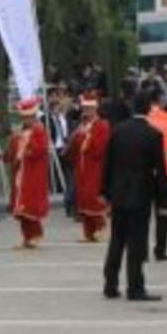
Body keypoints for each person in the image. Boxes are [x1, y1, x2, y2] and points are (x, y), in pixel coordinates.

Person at [102, 91, 165, 301]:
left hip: (119, 192)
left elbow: (107, 163)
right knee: (137, 241)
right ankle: (135, 287)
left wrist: (105, 192)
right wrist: (162, 199)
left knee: (117, 239)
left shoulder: (117, 131)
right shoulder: (154, 134)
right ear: (148, 109)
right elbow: (160, 171)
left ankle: (110, 284)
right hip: (141, 193)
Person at [4, 97, 50, 250]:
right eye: (24, 117)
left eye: (29, 117)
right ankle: (27, 237)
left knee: (30, 206)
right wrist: (11, 147)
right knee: (21, 208)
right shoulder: (21, 132)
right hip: (20, 174)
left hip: (32, 175)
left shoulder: (39, 130)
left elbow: (39, 150)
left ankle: (35, 235)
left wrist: (25, 141)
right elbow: (13, 152)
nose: (26, 120)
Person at [67, 92, 111, 243]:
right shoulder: (81, 126)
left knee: (92, 196)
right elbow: (74, 148)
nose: (86, 112)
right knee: (83, 198)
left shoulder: (102, 125)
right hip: (81, 167)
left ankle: (100, 226)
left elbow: (100, 148)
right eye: (84, 109)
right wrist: (76, 137)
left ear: (95, 109)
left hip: (95, 167)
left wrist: (85, 136)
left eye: (89, 109)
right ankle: (88, 232)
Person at [146, 85, 167, 261]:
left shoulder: (144, 120)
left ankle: (141, 249)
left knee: (143, 212)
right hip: (165, 172)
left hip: (145, 172)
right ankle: (161, 250)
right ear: (160, 100)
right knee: (163, 212)